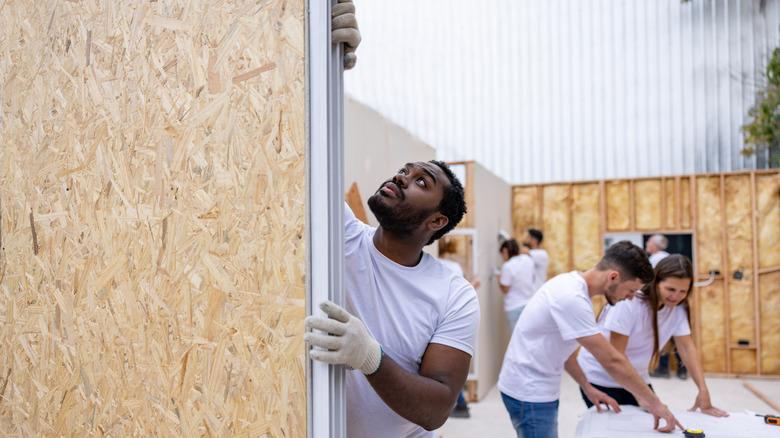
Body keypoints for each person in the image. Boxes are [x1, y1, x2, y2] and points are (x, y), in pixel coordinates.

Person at [305, 161, 480, 437]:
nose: (402, 177)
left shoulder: (454, 295)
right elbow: (301, 165)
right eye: (405, 170)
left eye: (422, 182)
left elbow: (437, 409)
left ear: (436, 221)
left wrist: (370, 357)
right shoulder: (343, 235)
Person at [498, 241, 683, 437]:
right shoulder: (571, 297)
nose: (630, 298)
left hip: (536, 386)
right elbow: (611, 360)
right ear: (613, 276)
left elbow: (566, 354)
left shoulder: (574, 288)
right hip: (529, 392)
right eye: (630, 290)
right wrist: (655, 403)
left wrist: (587, 387)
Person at [572, 255, 728, 418]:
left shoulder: (678, 308)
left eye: (683, 291)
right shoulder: (629, 302)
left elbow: (687, 347)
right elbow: (617, 356)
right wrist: (644, 398)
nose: (676, 296)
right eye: (671, 289)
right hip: (601, 378)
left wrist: (703, 390)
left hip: (635, 378)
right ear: (656, 282)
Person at [438, 237, 481, 419]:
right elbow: (461, 290)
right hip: (454, 316)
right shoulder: (454, 267)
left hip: (441, 315)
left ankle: (460, 404)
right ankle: (460, 404)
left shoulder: (438, 265)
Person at [644, 234, 686, 379]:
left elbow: (648, 280)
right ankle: (682, 371)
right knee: (677, 336)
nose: (647, 244)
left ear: (654, 245)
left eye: (648, 242)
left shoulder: (655, 259)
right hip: (676, 303)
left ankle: (662, 369)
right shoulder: (670, 257)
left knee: (662, 334)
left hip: (662, 302)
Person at [498, 239, 536, 331]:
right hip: (528, 305)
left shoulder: (508, 266)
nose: (502, 257)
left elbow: (505, 289)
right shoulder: (528, 260)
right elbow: (533, 278)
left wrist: (498, 279)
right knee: (528, 337)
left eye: (502, 254)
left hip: (513, 307)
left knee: (516, 340)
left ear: (505, 251)